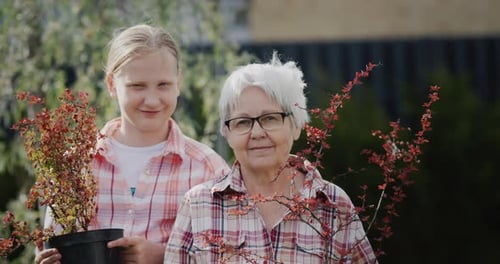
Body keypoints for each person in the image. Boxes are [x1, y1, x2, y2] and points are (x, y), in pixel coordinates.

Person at [35, 24, 229, 264]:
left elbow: (229, 255)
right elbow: (54, 244)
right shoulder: (74, 166)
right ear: (111, 85)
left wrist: (163, 256)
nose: (151, 99)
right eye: (137, 86)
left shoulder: (208, 169)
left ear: (178, 83)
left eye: (163, 85)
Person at [164, 53, 378, 263]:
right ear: (227, 134)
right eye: (243, 122)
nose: (257, 133)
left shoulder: (333, 205)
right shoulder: (198, 206)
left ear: (296, 126)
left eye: (270, 118)